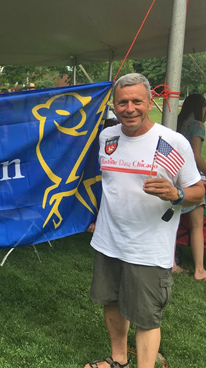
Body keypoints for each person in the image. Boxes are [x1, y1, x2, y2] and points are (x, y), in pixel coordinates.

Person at [85, 73, 204, 368]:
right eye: (122, 102)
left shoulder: (173, 142)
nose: (130, 108)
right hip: (109, 240)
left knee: (146, 316)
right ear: (114, 105)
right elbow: (112, 186)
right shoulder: (107, 137)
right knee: (111, 302)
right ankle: (119, 360)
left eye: (137, 101)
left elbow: (199, 191)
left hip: (149, 248)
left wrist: (176, 193)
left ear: (150, 102)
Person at [176, 93, 206, 280]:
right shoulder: (197, 125)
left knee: (171, 221)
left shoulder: (178, 122)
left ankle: (171, 262)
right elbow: (196, 156)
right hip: (191, 178)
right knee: (196, 225)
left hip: (175, 176)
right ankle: (199, 269)